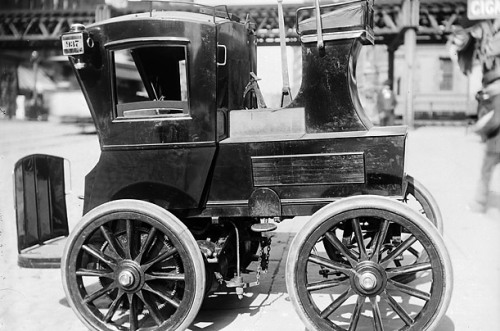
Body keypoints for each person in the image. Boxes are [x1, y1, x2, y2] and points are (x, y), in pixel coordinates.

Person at [470, 83, 500, 213]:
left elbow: (496, 121)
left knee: (485, 174)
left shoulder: (497, 99)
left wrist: (481, 130)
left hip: (495, 144)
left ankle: (479, 203)